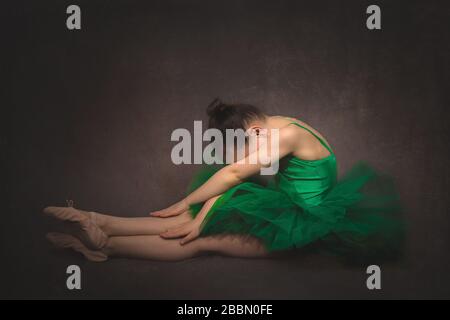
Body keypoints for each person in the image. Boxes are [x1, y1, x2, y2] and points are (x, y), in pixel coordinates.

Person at [44, 99, 403, 263]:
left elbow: (232, 174)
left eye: (249, 140)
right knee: (198, 218)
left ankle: (105, 245)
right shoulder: (275, 123)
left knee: (201, 239)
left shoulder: (280, 137)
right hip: (283, 205)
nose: (248, 148)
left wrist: (190, 208)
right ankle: (100, 223)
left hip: (301, 223)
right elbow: (233, 173)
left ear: (257, 128)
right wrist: (198, 210)